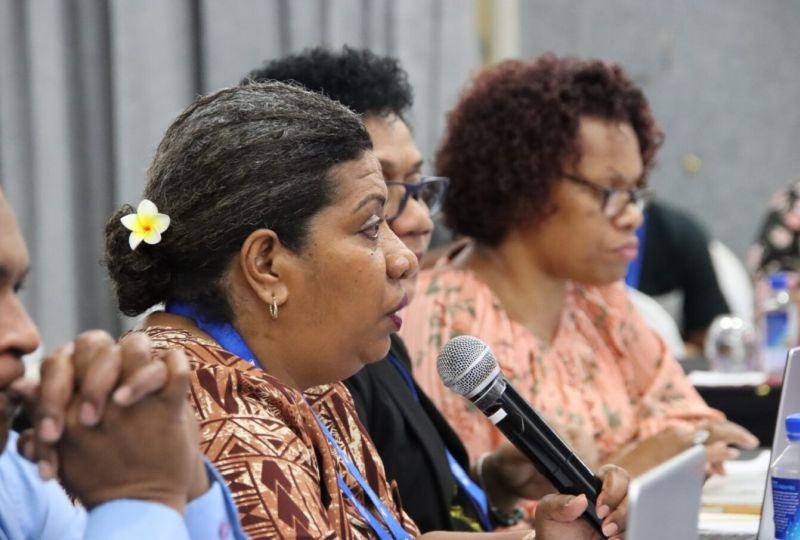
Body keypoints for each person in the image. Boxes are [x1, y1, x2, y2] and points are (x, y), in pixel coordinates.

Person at [102, 80, 628, 539]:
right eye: (372, 227)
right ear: (267, 264)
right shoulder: (216, 421)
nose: (404, 258)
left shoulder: (307, 380)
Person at [246, 46, 568, 533]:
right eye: (380, 203)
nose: (418, 221)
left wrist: (491, 480)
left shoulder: (377, 331)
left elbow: (403, 501)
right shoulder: (307, 361)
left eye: (418, 187)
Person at [400, 54, 759, 481]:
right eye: (609, 190)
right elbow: (476, 505)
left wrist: (650, 455)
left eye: (635, 191)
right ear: (524, 182)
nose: (633, 216)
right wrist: (643, 459)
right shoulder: (442, 322)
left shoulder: (600, 301)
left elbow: (693, 421)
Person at [0, 189, 245, 539]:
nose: (27, 335)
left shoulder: (13, 474)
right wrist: (142, 496)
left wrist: (184, 478)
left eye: (17, 290)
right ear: (264, 263)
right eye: (355, 230)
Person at [627, 200, 730, 355]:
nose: (633, 217)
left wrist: (674, 353)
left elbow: (712, 340)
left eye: (633, 191)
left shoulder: (679, 234)